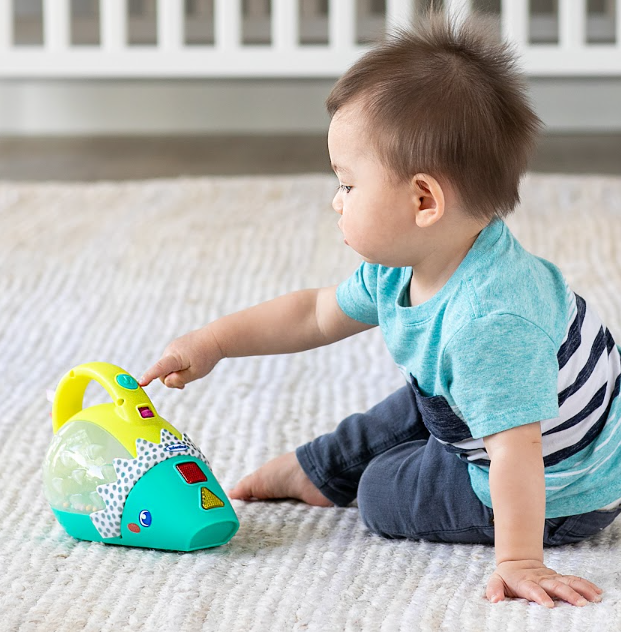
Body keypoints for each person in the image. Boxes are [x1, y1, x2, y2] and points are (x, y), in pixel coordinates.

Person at [139, 14, 621, 608]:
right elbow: (315, 313)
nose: (335, 201)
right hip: (506, 421)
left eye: (347, 184)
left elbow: (516, 454)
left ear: (423, 200)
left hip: (560, 489)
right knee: (423, 397)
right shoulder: (410, 263)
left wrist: (520, 560)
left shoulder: (489, 324)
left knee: (381, 491)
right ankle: (318, 469)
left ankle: (351, 473)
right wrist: (213, 342)